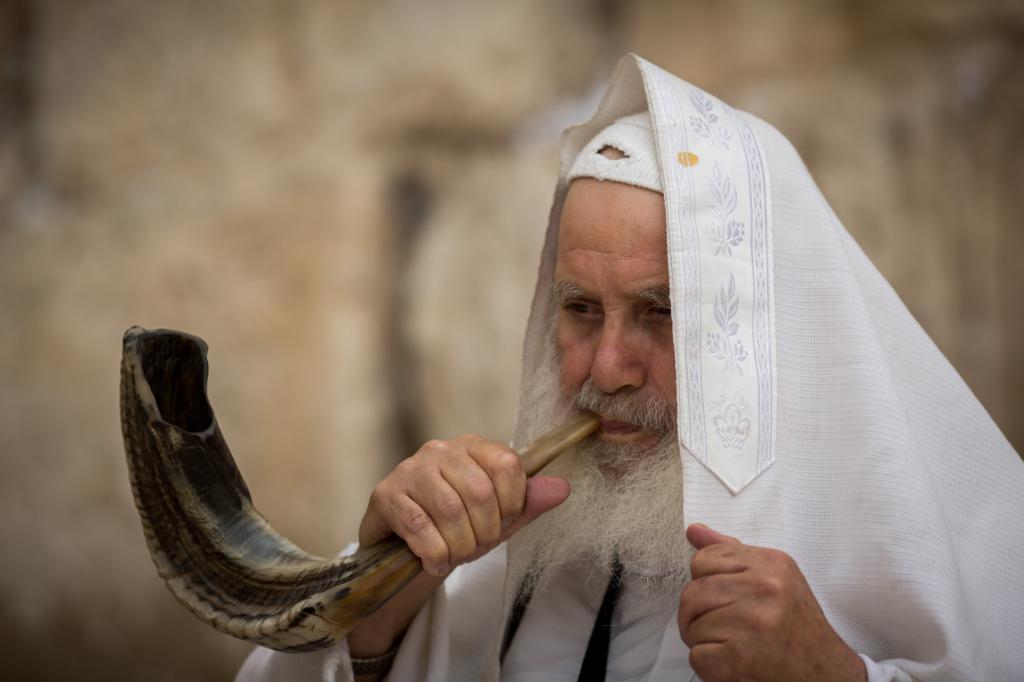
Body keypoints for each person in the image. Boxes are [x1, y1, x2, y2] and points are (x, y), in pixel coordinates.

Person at [237, 54, 1024, 681]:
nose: (607, 369)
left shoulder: (980, 552)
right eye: (580, 309)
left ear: (768, 334)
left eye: (662, 312)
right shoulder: (509, 555)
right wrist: (378, 609)